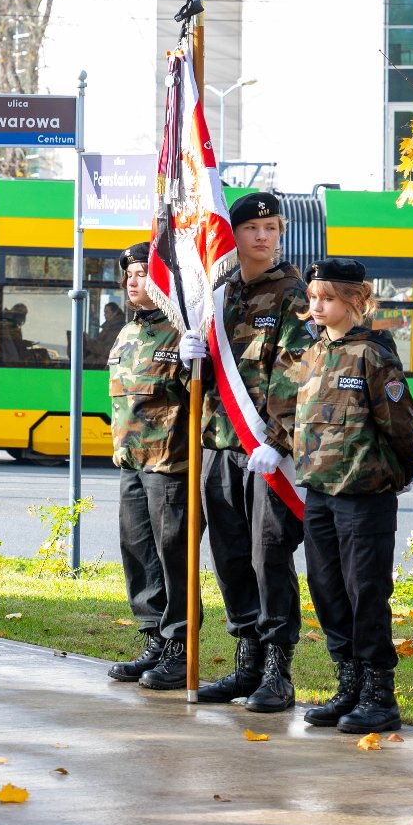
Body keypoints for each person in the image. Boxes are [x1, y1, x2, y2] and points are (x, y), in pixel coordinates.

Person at [178, 192, 312, 709]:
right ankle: (246, 664)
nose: (263, 236)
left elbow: (296, 371)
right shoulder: (219, 294)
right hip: (219, 445)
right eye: (253, 228)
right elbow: (211, 378)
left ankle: (278, 670)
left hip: (266, 452)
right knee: (230, 556)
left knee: (268, 556)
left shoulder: (293, 294)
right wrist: (192, 355)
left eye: (272, 228)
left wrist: (277, 443)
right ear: (231, 235)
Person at [280, 258, 413, 733]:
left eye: (327, 298)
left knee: (366, 592)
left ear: (354, 300)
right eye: (313, 298)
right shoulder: (313, 352)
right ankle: (348, 683)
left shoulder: (373, 355)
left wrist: (401, 473)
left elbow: (400, 424)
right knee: (327, 591)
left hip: (364, 495)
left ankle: (378, 694)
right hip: (320, 492)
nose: (316, 306)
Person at [104, 242, 179, 687]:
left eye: (144, 274)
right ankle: (152, 638)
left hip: (170, 463)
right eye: (130, 275)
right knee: (137, 552)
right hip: (131, 462)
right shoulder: (128, 333)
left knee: (172, 556)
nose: (135, 282)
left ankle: (178, 644)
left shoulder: (180, 333)